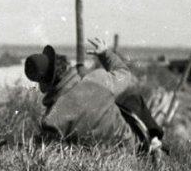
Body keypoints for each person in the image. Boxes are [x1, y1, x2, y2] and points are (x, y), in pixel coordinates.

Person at [24, 37, 164, 157]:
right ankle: (156, 142)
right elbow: (124, 73)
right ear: (65, 65)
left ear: (44, 84)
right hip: (132, 147)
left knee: (128, 102)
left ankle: (155, 143)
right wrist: (104, 54)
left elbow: (44, 149)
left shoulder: (52, 119)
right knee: (133, 99)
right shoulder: (99, 79)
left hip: (105, 156)